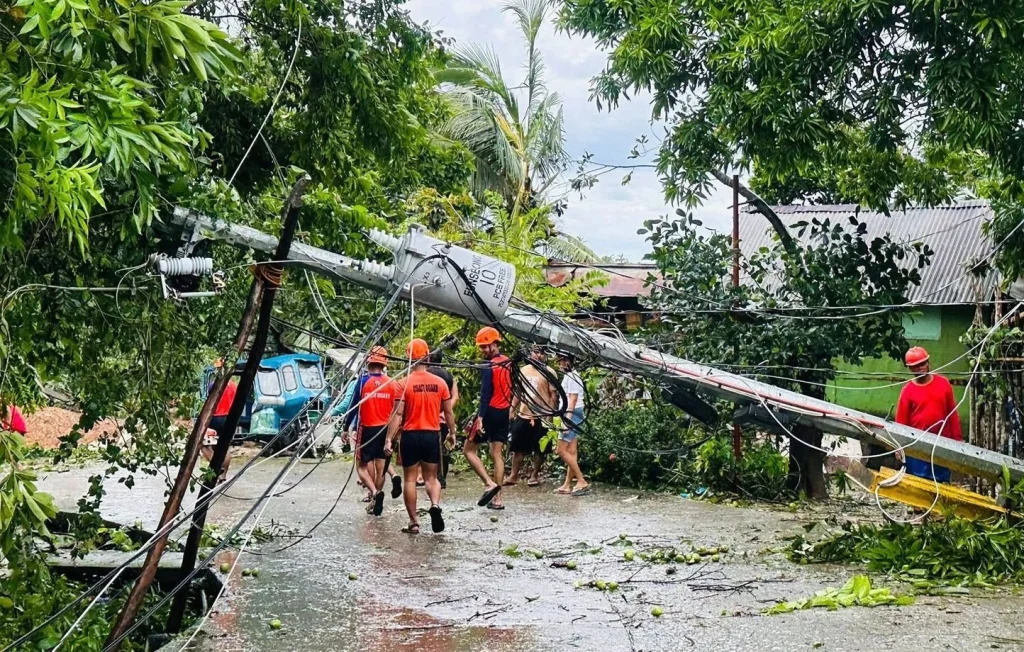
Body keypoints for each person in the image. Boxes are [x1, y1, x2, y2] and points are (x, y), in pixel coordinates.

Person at [385, 338, 456, 534]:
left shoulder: (402, 383)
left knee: (409, 479)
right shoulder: (440, 383)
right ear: (427, 357)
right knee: (432, 478)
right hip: (432, 434)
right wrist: (452, 432)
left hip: (410, 435)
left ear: (408, 358)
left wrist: (389, 438)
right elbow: (448, 412)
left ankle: (414, 522)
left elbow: (398, 414)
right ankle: (434, 504)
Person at [896, 346, 962, 483]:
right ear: (910, 369)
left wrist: (958, 441)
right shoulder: (907, 391)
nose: (921, 368)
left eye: (923, 364)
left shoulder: (943, 383)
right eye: (916, 366)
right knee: (917, 483)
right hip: (917, 446)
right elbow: (900, 423)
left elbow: (952, 414)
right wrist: (899, 446)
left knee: (941, 482)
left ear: (928, 363)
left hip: (942, 444)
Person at [465, 326, 512, 509]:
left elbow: (485, 394)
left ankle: (488, 483)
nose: (483, 350)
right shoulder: (508, 362)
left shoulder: (488, 366)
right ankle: (498, 499)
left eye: (486, 346)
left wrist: (481, 418)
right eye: (482, 347)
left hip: (490, 412)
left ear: (495, 344)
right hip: (504, 412)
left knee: (468, 450)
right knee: (496, 454)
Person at [354, 346, 397, 516]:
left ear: (368, 361)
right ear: (384, 362)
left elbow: (354, 406)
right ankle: (375, 501)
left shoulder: (363, 381)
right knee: (381, 468)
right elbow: (397, 411)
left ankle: (374, 493)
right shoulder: (392, 383)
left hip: (367, 428)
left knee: (362, 467)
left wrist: (346, 428)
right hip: (385, 430)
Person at [507, 346, 557, 487]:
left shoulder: (549, 372)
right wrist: (512, 409)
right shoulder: (523, 370)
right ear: (531, 354)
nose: (539, 355)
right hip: (524, 414)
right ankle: (513, 476)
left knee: (539, 449)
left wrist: (550, 415)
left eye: (542, 353)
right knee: (517, 447)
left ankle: (534, 475)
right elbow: (518, 392)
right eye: (536, 352)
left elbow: (554, 395)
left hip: (541, 415)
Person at [555, 352, 590, 496]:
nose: (560, 364)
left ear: (568, 362)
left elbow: (573, 400)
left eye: (562, 361)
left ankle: (581, 480)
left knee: (561, 450)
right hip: (573, 412)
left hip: (572, 412)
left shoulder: (573, 377)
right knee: (571, 451)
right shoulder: (570, 376)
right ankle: (567, 484)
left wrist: (567, 421)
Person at [427, 349, 459, 489]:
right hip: (444, 418)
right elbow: (455, 396)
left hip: (428, 417)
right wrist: (446, 409)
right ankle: (442, 478)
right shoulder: (448, 375)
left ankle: (432, 477)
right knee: (444, 448)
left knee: (430, 449)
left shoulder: (426, 374)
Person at [202, 368, 236, 480]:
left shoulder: (213, 384)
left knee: (205, 446)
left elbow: (209, 398)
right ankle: (223, 476)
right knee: (224, 447)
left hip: (215, 418)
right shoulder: (234, 386)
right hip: (229, 419)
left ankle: (216, 467)